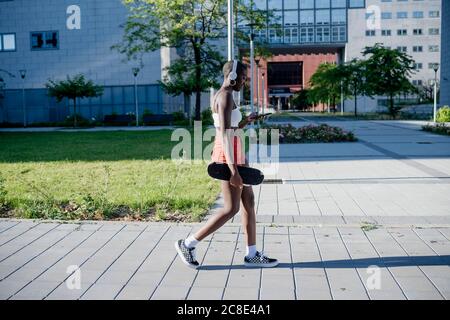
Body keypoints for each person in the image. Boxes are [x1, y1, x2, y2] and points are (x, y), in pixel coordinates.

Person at [175, 60, 279, 269]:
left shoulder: (228, 96)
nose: (244, 81)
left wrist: (246, 120)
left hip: (237, 155)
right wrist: (234, 171)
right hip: (227, 157)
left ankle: (252, 254)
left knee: (248, 201)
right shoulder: (224, 96)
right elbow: (223, 134)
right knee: (231, 209)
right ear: (231, 76)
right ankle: (188, 243)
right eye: (242, 77)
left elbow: (231, 126)